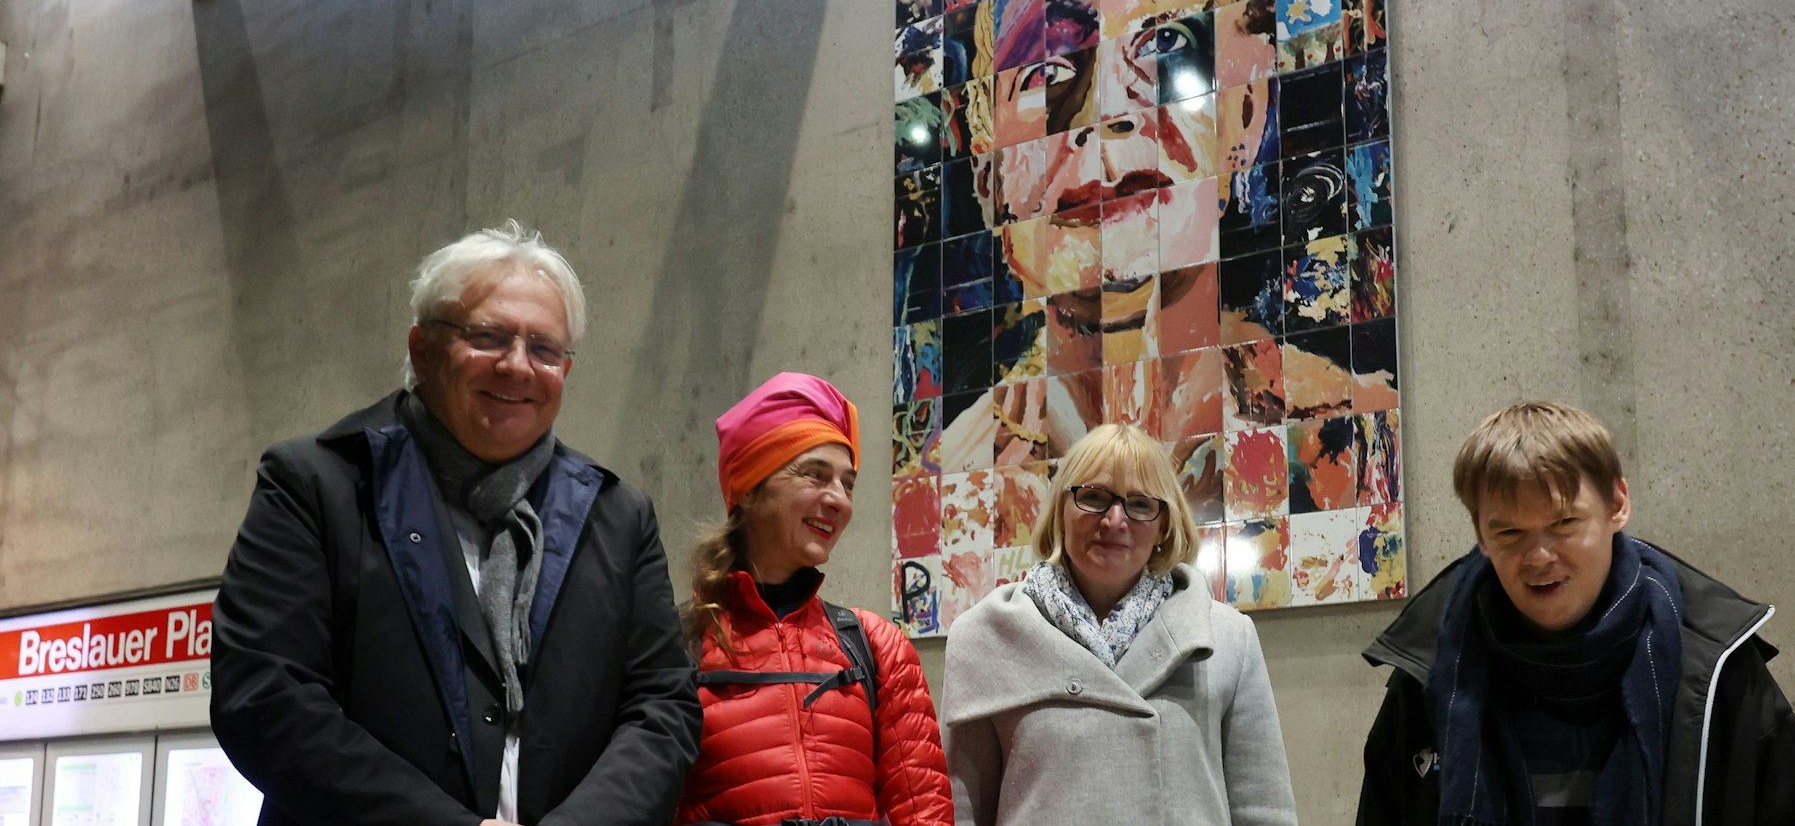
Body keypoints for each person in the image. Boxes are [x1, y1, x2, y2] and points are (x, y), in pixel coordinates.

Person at [211, 221, 702, 826]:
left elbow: (662, 711)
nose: (518, 366)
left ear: (565, 372)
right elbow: (264, 698)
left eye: (544, 348)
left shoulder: (619, 517)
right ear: (423, 349)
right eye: (489, 336)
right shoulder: (317, 483)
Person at [1357, 401, 1795, 825]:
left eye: (1563, 523)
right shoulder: (1427, 676)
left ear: (1617, 505)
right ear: (1481, 536)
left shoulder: (1717, 667)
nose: (1539, 557)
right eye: (1510, 534)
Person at [942, 422, 1298, 826]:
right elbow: (960, 812)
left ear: (1164, 524)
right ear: (1062, 508)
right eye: (1093, 497)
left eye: (1141, 504)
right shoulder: (988, 638)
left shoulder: (1227, 640)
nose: (1114, 521)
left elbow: (1263, 812)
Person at [674, 372, 952, 826]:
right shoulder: (678, 645)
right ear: (749, 488)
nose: (839, 500)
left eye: (848, 483)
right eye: (815, 475)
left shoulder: (877, 647)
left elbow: (925, 814)